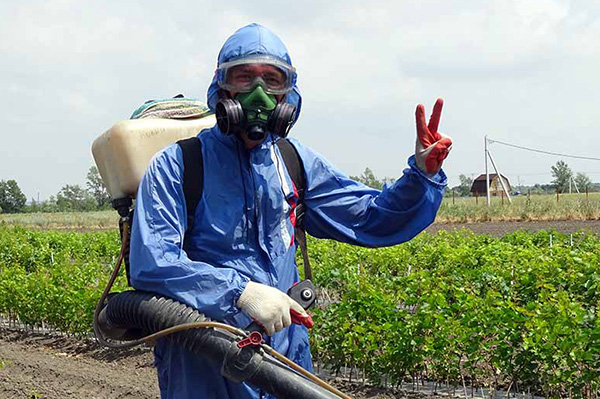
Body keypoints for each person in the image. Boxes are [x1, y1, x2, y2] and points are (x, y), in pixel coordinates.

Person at [129, 23, 452, 399]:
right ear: (222, 88)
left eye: (272, 80)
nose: (259, 94)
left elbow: (372, 217)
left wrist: (421, 176)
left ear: (288, 94)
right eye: (245, 77)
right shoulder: (178, 165)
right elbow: (153, 263)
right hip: (204, 364)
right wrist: (240, 293)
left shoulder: (292, 162)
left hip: (285, 359)